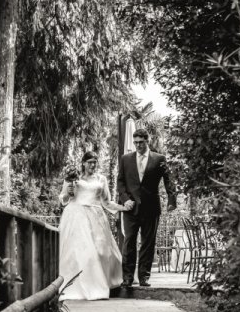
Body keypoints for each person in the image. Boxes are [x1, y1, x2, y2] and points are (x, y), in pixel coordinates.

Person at [58, 151, 130, 300]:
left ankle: (104, 280)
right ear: (83, 163)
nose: (93, 165)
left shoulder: (101, 179)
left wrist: (122, 208)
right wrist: (69, 193)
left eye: (95, 162)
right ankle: (80, 285)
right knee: (80, 253)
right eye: (90, 162)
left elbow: (106, 202)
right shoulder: (73, 177)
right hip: (76, 217)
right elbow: (63, 199)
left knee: (102, 251)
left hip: (96, 217)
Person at [117, 128, 177, 287]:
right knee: (129, 242)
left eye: (141, 142)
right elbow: (120, 182)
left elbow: (168, 180)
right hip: (130, 208)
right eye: (135, 142)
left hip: (151, 208)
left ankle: (144, 277)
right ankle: (128, 278)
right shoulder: (125, 159)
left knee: (148, 243)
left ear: (147, 141)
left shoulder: (159, 159)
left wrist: (172, 200)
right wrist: (125, 200)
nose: (138, 145)